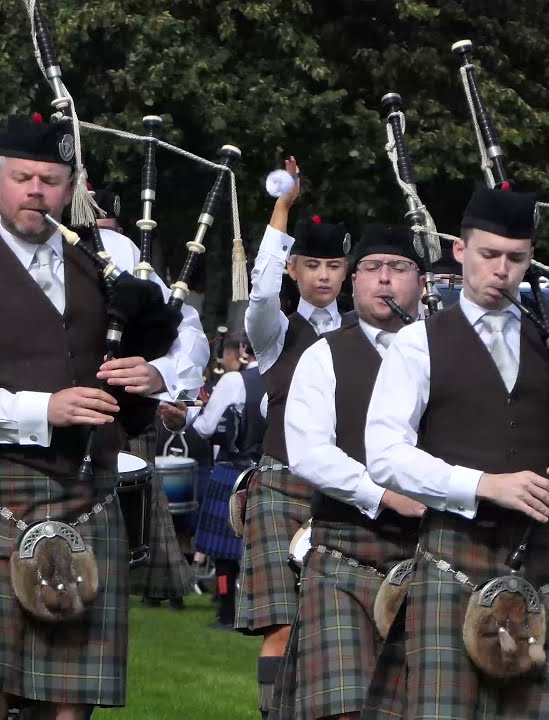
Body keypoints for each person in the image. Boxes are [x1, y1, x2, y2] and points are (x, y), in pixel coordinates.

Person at [0, 114, 207, 720]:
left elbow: (186, 341)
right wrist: (44, 409)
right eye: (22, 178)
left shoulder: (107, 263)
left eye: (50, 180)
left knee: (71, 703)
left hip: (88, 493)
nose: (35, 192)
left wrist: (159, 376)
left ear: (71, 189)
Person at [363, 186, 549, 718]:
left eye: (516, 258)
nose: (501, 271)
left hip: (547, 564)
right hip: (454, 559)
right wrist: (483, 483)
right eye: (488, 255)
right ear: (460, 251)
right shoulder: (419, 343)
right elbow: (384, 454)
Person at [275, 225, 427, 720]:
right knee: (344, 709)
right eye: (372, 269)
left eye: (399, 269)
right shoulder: (325, 355)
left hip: (436, 556)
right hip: (347, 550)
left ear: (421, 284)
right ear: (354, 282)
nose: (385, 281)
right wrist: (383, 494)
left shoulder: (447, 354)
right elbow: (308, 452)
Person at [240, 157, 351, 719]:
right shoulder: (275, 332)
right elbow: (259, 297)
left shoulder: (362, 334)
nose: (324, 276)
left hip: (342, 492)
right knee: (283, 625)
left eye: (334, 265)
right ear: (295, 269)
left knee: (338, 627)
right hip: (281, 486)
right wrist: (282, 210)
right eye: (313, 265)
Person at [164, 334, 264, 628]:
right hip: (272, 471)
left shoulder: (235, 382)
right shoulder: (290, 376)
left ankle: (226, 613)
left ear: (245, 349)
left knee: (224, 554)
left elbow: (207, 428)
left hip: (233, 470)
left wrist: (191, 415)